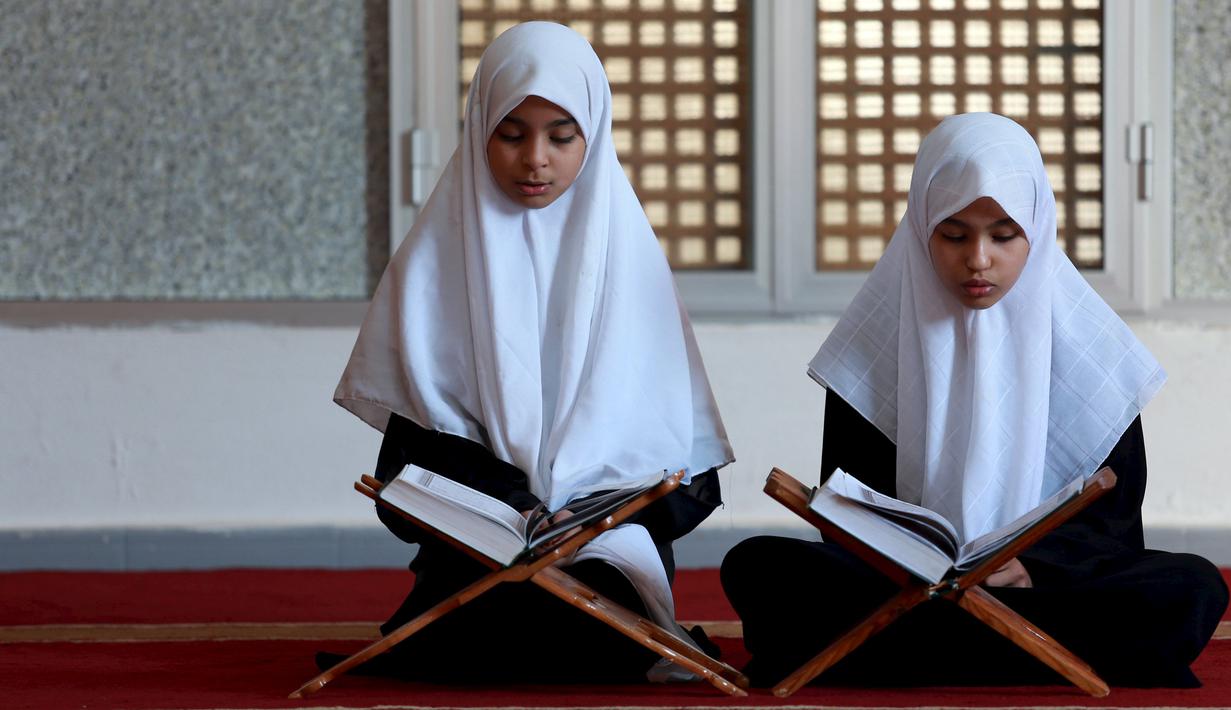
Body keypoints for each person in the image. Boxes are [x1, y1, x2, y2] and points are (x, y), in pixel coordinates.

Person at [721, 113, 1228, 688]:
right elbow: (848, 506)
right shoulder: (874, 341)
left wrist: (1031, 568)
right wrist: (910, 564)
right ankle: (1016, 650)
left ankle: (916, 650)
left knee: (1190, 583)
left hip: (1036, 591)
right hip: (904, 587)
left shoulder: (1095, 352)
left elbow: (1112, 523)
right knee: (758, 564)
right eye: (954, 234)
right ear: (920, 228)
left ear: (1036, 229)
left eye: (1004, 235)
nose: (979, 259)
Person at [327, 22, 733, 683]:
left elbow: (692, 482)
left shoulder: (631, 270)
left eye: (560, 136)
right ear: (478, 126)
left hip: (605, 553)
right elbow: (404, 474)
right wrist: (515, 505)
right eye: (511, 134)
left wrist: (595, 514)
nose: (534, 158)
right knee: (499, 602)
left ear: (593, 136)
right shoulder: (435, 266)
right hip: (478, 552)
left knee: (589, 600)